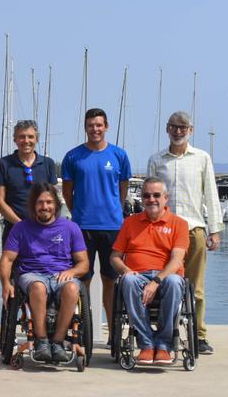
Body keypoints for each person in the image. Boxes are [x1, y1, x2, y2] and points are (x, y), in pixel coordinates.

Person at [147, 110, 223, 354]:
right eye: (173, 127)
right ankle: (162, 333)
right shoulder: (157, 160)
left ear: (190, 130)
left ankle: (198, 335)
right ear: (167, 129)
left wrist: (215, 230)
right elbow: (149, 196)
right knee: (162, 282)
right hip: (163, 231)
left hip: (193, 229)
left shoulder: (202, 158)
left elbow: (211, 194)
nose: (178, 131)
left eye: (183, 127)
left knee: (195, 287)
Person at [0, 183, 89, 363]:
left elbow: (84, 263)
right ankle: (41, 341)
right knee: (38, 287)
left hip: (61, 274)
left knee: (72, 288)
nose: (45, 207)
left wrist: (71, 271)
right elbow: (7, 259)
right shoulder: (21, 228)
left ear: (56, 204)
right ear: (33, 205)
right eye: (40, 202)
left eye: (49, 202)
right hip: (32, 274)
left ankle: (57, 341)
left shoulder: (70, 228)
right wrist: (6, 283)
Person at [61, 107, 130, 335]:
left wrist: (114, 211)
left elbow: (123, 190)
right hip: (82, 228)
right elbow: (67, 193)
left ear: (106, 126)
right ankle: (84, 331)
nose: (95, 129)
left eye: (99, 125)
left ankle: (112, 332)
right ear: (85, 127)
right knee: (83, 280)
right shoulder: (72, 157)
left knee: (110, 280)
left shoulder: (119, 155)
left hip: (112, 227)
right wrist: (80, 214)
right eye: (91, 125)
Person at [110, 177, 189, 365]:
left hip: (166, 276)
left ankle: (163, 345)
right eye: (146, 195)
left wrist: (156, 281)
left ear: (165, 198)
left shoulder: (179, 224)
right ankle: (146, 344)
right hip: (138, 275)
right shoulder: (130, 222)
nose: (151, 199)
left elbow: (177, 260)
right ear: (142, 199)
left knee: (175, 282)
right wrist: (126, 269)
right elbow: (114, 257)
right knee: (127, 281)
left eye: (156, 195)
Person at [0, 120, 58, 244]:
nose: (26, 141)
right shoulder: (3, 164)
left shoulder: (48, 164)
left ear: (37, 139)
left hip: (43, 231)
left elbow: (53, 200)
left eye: (30, 137)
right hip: (14, 230)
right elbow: (0, 202)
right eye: (21, 137)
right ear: (15, 139)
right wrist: (21, 225)